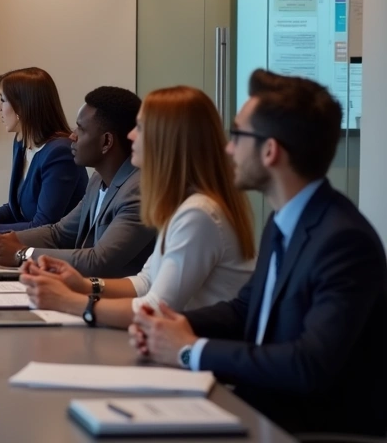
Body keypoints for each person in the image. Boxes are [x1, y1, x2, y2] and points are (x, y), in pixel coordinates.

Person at [131, 70, 387, 437]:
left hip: (307, 429)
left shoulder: (343, 241)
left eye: (237, 134)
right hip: (260, 411)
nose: (227, 148)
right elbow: (245, 310)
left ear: (270, 151)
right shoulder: (284, 223)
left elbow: (308, 364)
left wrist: (190, 350)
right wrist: (174, 326)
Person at [20, 86, 255, 329]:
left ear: (166, 141)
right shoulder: (185, 204)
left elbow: (156, 308)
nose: (131, 136)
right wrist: (83, 286)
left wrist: (70, 301)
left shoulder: (199, 213)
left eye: (140, 128)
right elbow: (147, 281)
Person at [0, 87, 155, 278]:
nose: (72, 136)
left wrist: (22, 254)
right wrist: (4, 240)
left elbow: (99, 261)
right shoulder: (98, 179)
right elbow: (58, 234)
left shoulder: (139, 191)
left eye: (81, 129)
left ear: (106, 142)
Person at [0, 67, 86, 233]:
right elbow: (18, 209)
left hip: (52, 252)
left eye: (3, 100)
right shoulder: (22, 143)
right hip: (26, 247)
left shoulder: (60, 153)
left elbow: (44, 225)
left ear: (22, 107)